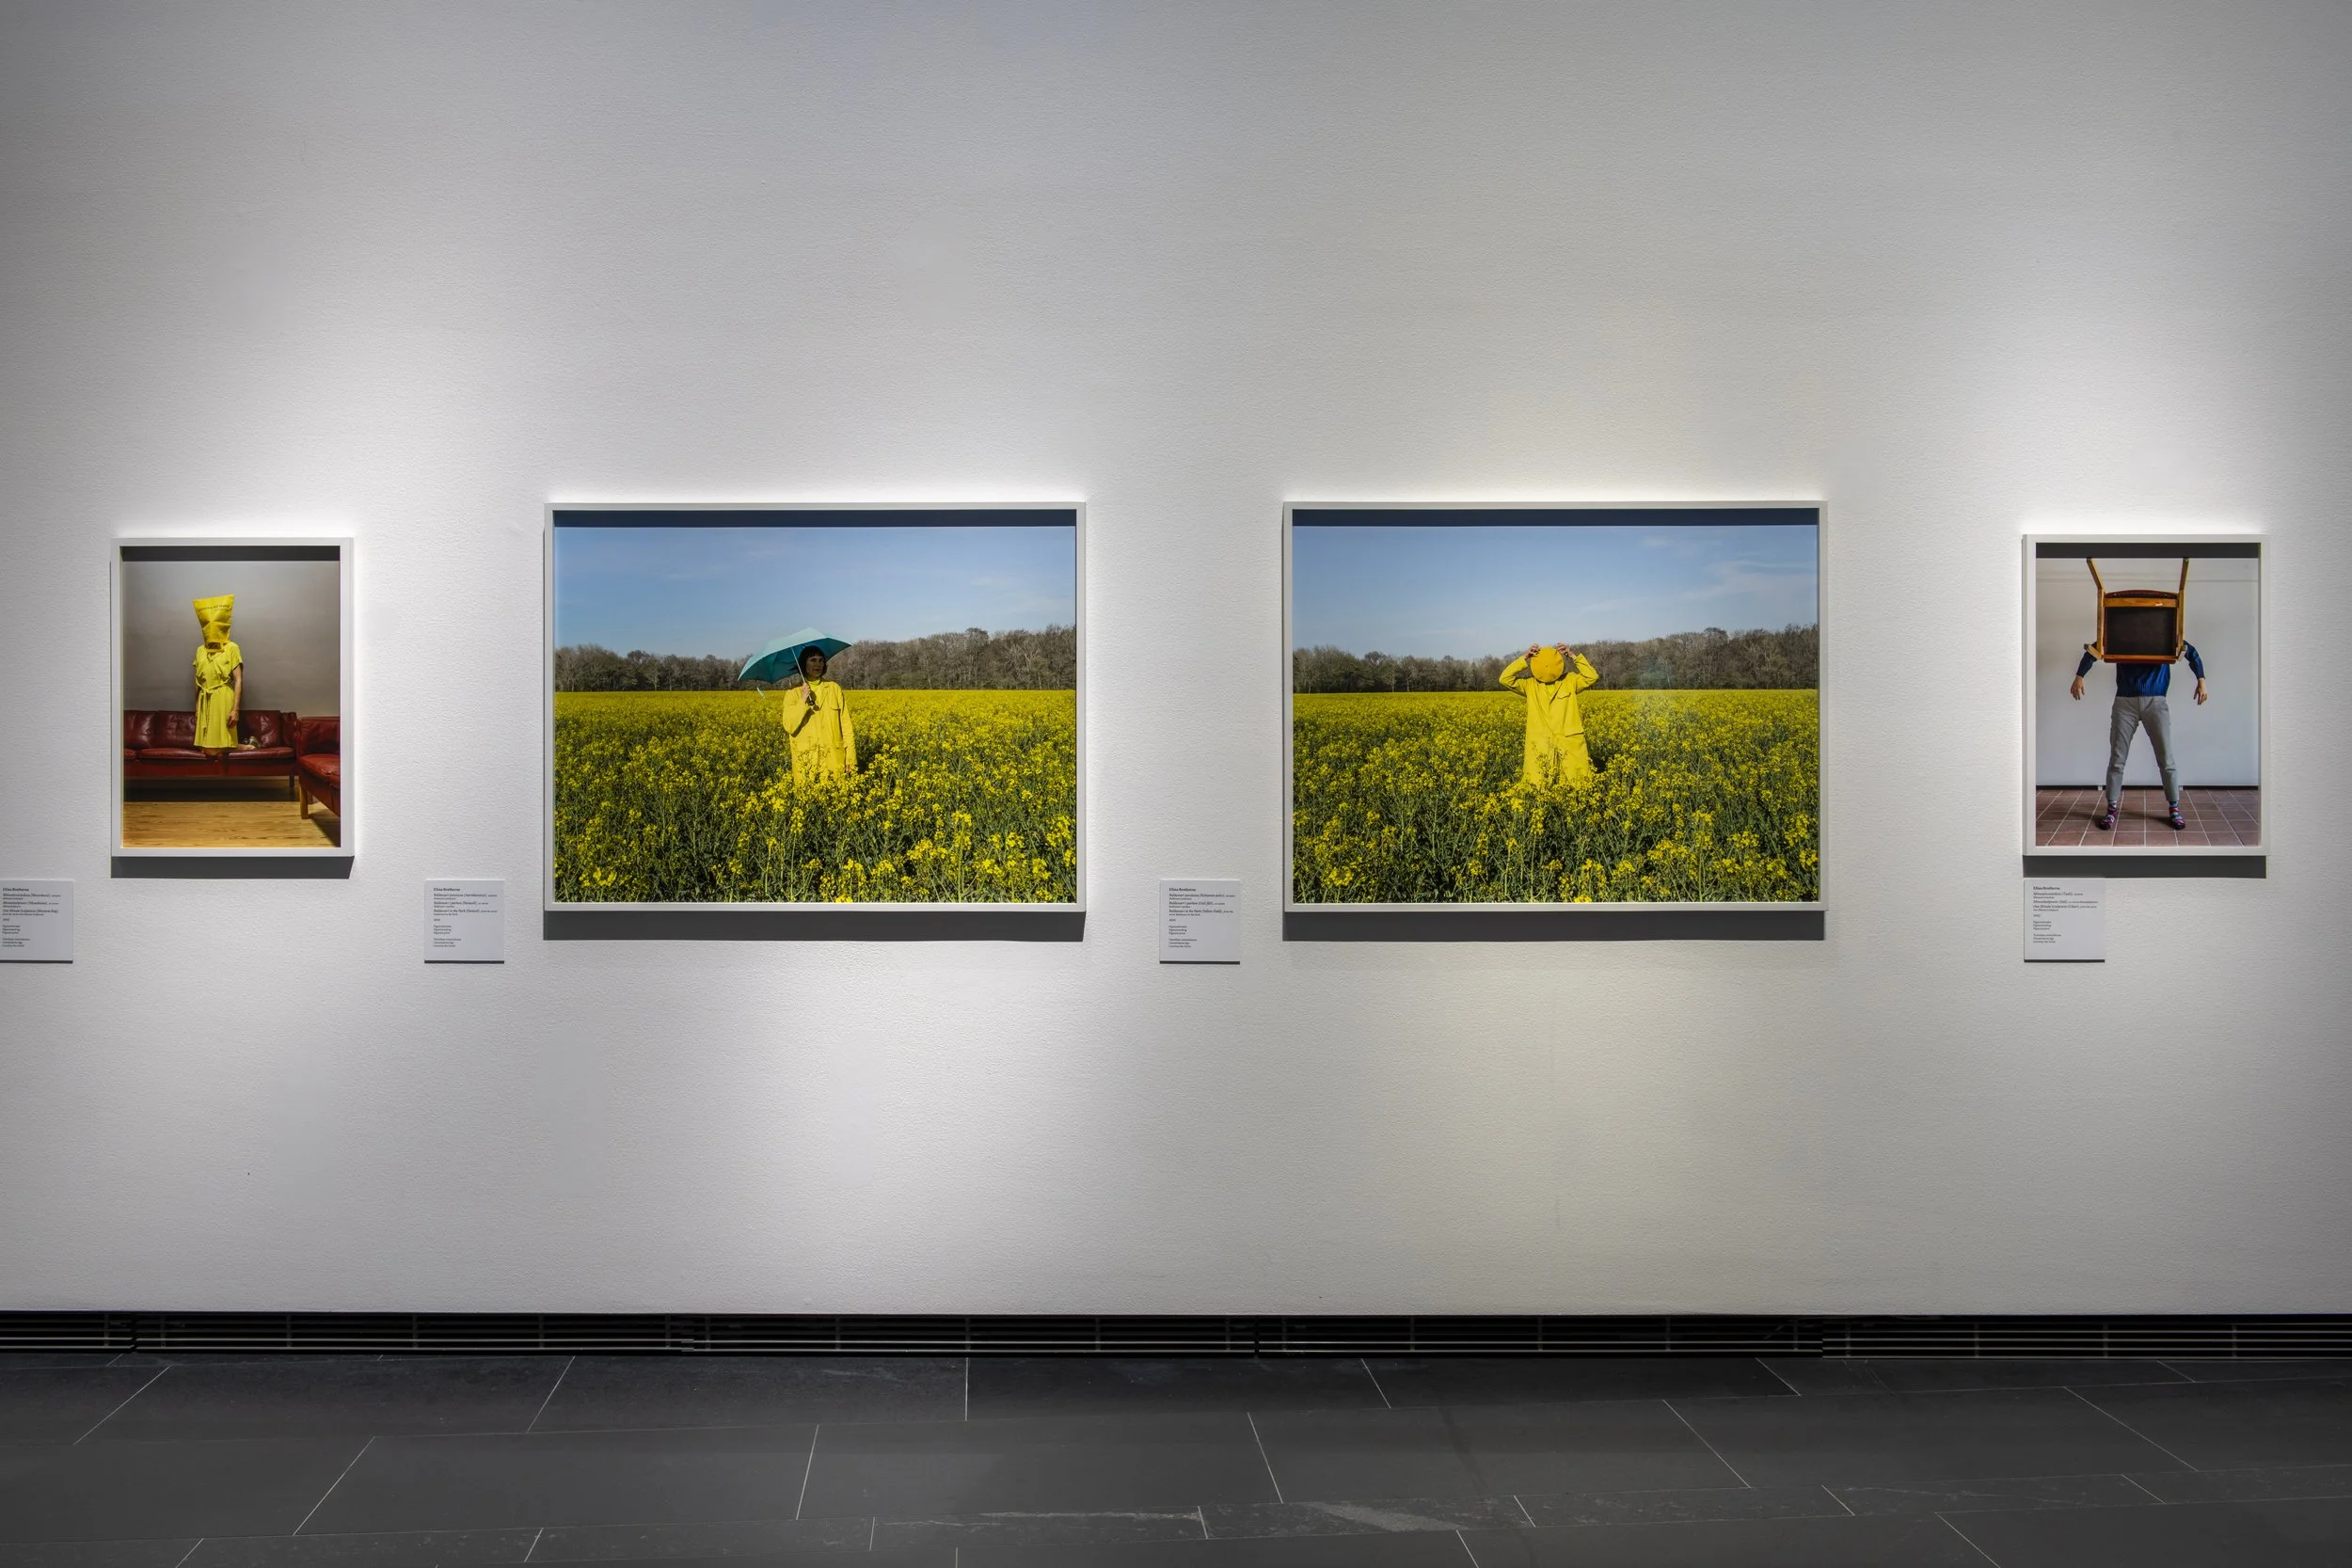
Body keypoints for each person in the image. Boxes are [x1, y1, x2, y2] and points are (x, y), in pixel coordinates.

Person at [2071, 638, 2207, 832]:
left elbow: (2191, 652)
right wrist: (2080, 675)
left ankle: (2174, 808)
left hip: (2156, 702)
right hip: (2125, 702)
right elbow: (2095, 649)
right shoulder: (2121, 630)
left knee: (2166, 759)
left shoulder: (2165, 630)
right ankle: (2111, 809)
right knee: (2117, 758)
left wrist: (2201, 679)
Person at [1499, 641, 1598, 786]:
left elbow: (1592, 677)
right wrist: (1524, 657)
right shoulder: (1530, 685)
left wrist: (1573, 656)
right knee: (1540, 784)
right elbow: (1504, 679)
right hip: (1542, 743)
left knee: (1577, 782)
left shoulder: (1570, 681)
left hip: (1568, 741)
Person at [780, 644, 856, 782]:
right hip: (807, 762)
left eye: (821, 660)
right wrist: (803, 699)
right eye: (813, 660)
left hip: (834, 759)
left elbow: (846, 725)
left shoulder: (834, 688)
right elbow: (789, 726)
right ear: (803, 663)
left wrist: (850, 757)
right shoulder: (793, 693)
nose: (818, 664)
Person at [190, 594, 242, 753]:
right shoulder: (200, 650)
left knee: (214, 749)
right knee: (203, 749)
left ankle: (246, 746)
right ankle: (247, 746)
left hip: (223, 697)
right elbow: (198, 682)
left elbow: (238, 680)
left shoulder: (232, 647)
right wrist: (197, 708)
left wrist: (235, 709)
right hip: (206, 700)